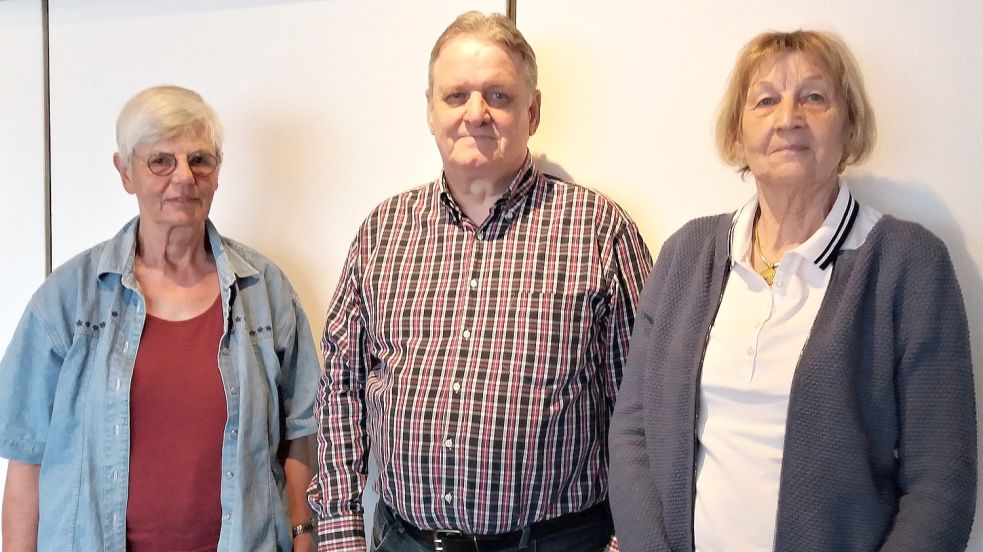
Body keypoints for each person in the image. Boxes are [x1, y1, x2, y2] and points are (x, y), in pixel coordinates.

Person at [608, 30, 976, 552]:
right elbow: (634, 432)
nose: (788, 117)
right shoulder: (685, 254)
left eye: (814, 97)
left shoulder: (908, 264)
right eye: (765, 101)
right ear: (738, 134)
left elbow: (942, 480)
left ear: (849, 127)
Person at [307, 11, 652, 552]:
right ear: (429, 110)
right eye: (455, 96)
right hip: (406, 541)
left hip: (557, 541)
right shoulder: (383, 231)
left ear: (532, 111)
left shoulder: (601, 232)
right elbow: (342, 391)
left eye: (499, 95)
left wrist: (627, 542)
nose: (476, 114)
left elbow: (642, 408)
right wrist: (339, 531)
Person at [0, 85, 320, 551]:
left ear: (216, 173)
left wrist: (302, 535)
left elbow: (301, 433)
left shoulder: (265, 291)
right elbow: (26, 460)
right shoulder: (68, 300)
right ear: (125, 172)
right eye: (160, 161)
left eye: (200, 160)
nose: (183, 177)